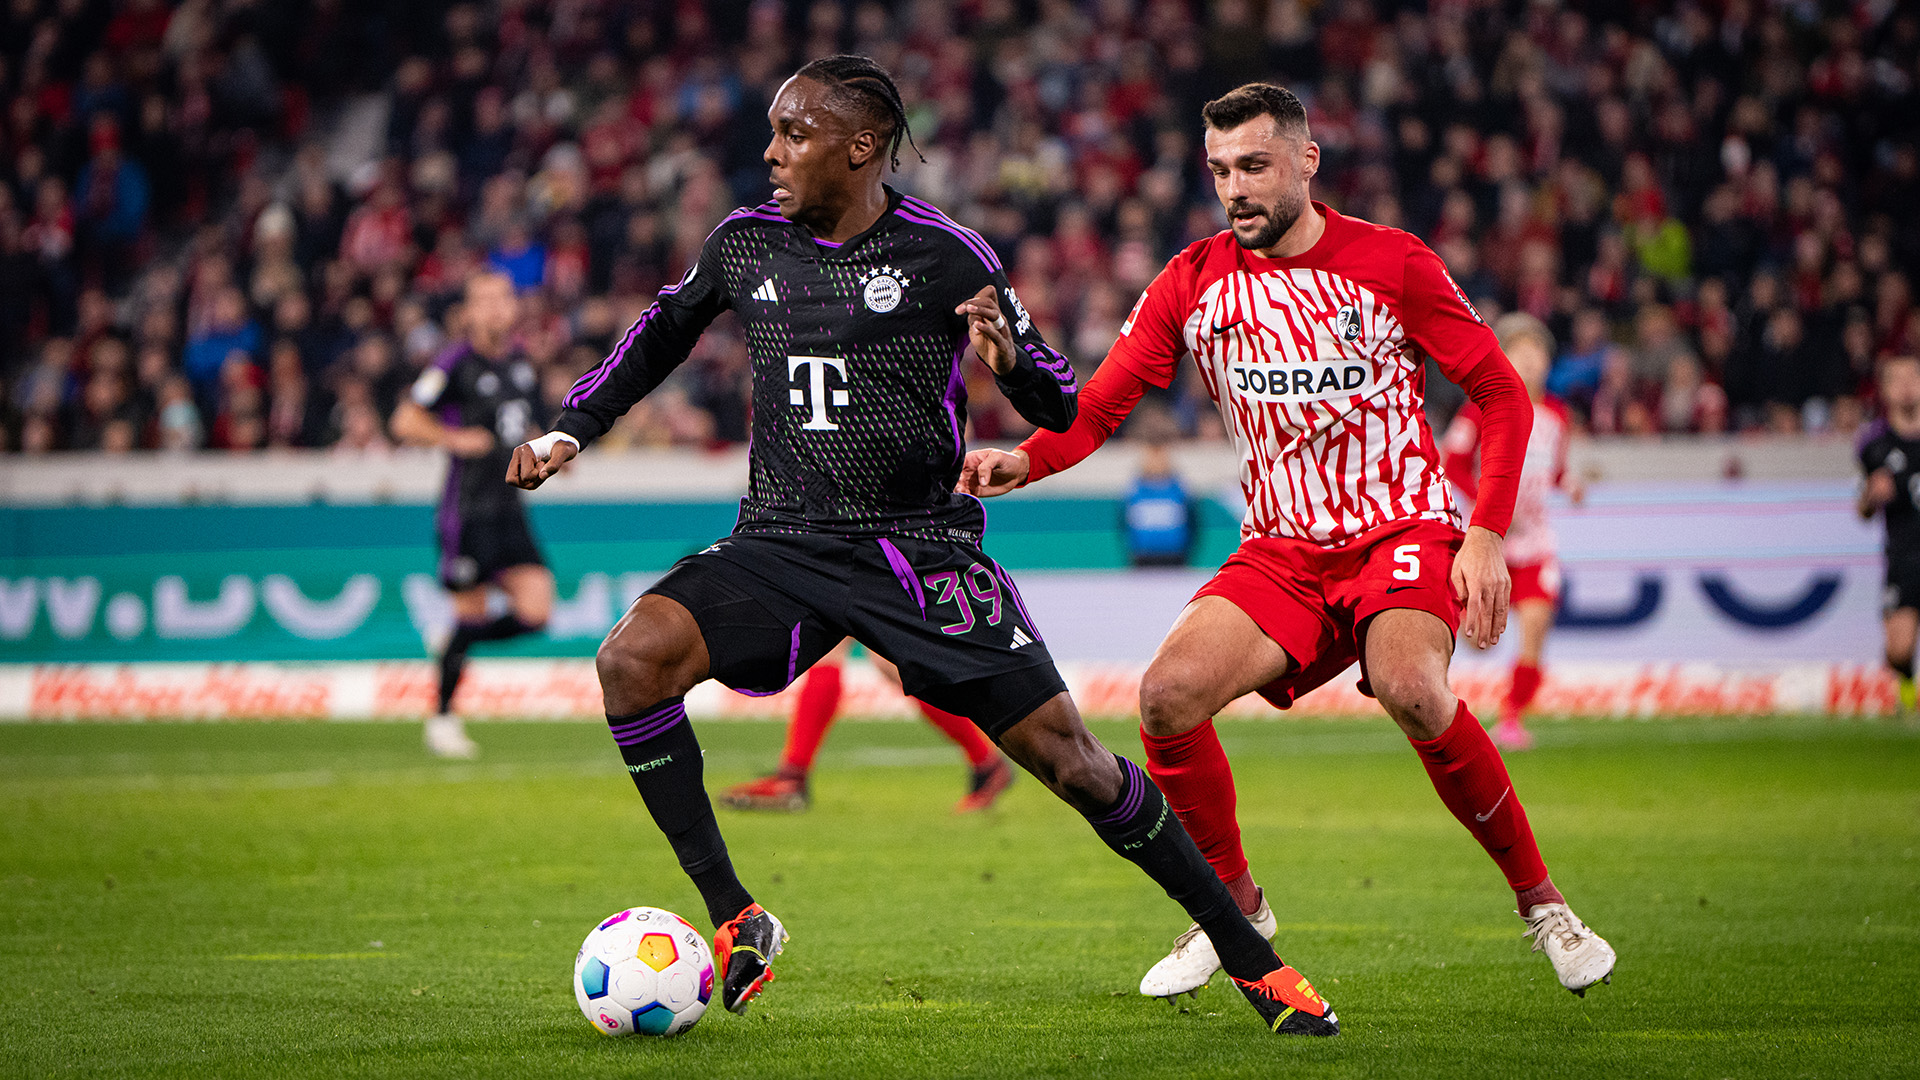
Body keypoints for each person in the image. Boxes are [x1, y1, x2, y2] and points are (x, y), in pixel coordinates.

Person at [507, 56, 1338, 1036]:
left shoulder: (946, 254)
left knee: (1074, 763)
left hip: (918, 553)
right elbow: (659, 333)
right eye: (774, 132)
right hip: (781, 543)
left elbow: (1058, 398)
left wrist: (1011, 362)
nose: (771, 152)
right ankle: (735, 915)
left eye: (795, 134)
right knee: (631, 659)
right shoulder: (743, 244)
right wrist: (572, 427)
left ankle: (1256, 964)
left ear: (860, 148)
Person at [961, 83, 1616, 1002]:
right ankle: (1235, 909)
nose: (1237, 188)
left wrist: (1486, 534)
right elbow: (1102, 405)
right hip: (1280, 549)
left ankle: (1543, 904)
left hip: (1403, 528)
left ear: (1307, 161)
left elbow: (1502, 394)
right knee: (1167, 698)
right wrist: (1023, 461)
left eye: (1255, 166)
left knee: (1413, 689)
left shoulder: (1394, 263)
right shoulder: (1192, 279)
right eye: (1221, 170)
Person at [392, 271, 554, 758]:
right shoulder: (454, 363)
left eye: (503, 298)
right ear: (469, 311)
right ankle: (441, 718)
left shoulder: (523, 363)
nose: (495, 308)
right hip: (466, 511)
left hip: (510, 509)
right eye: (484, 300)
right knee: (474, 610)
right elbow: (404, 419)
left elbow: (527, 425)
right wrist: (453, 439)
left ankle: (453, 638)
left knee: (537, 610)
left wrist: (550, 454)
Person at [1442, 313, 1585, 750]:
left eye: (1537, 351)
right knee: (1477, 641)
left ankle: (1511, 719)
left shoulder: (1558, 415)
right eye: (1519, 351)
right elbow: (1452, 463)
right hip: (1489, 539)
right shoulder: (1480, 408)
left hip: (1536, 540)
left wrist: (1569, 483)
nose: (1530, 361)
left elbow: (1554, 468)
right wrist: (1489, 506)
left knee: (1538, 624)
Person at [722, 640, 1016, 813]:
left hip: (868, 541)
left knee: (889, 662)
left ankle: (987, 763)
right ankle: (793, 776)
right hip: (862, 540)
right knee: (842, 649)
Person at [1856, 354, 1920, 714]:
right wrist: (1870, 495)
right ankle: (1907, 699)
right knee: (1899, 649)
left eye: (1914, 377)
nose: (1908, 385)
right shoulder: (1875, 446)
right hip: (1904, 555)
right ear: (1886, 390)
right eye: (1898, 379)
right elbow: (1862, 511)